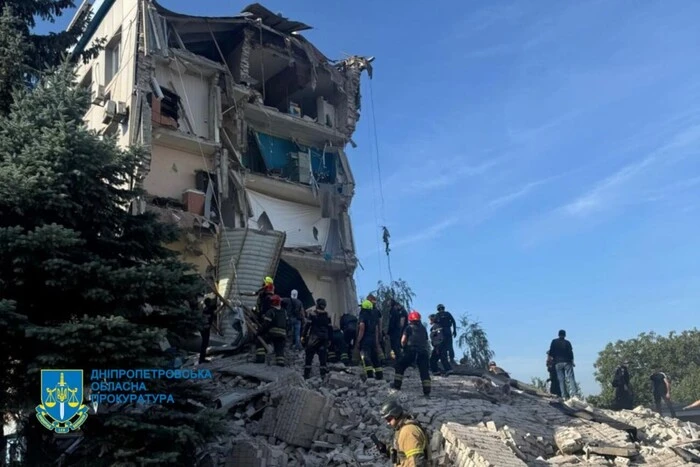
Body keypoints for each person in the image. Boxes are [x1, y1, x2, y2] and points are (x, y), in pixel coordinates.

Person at [378, 400, 429, 467]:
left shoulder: (408, 431)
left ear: (395, 414)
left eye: (389, 419)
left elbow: (417, 462)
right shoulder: (402, 429)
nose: (388, 422)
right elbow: (402, 455)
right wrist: (386, 449)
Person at [393, 311, 431, 397]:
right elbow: (425, 340)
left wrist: (403, 348)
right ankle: (427, 390)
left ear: (410, 319)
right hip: (423, 352)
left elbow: (403, 340)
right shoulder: (423, 328)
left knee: (400, 366)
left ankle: (397, 385)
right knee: (424, 371)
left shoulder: (408, 328)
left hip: (411, 351)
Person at [301, 298, 332, 379]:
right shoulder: (327, 315)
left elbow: (307, 326)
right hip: (324, 338)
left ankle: (306, 375)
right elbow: (330, 328)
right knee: (323, 357)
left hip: (314, 337)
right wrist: (329, 339)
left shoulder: (313, 314)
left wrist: (303, 336)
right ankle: (323, 375)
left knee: (309, 355)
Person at [256, 294, 287, 366]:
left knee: (260, 341)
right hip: (283, 334)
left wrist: (259, 332)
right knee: (279, 348)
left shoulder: (270, 311)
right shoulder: (284, 312)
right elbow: (287, 324)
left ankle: (260, 359)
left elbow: (266, 325)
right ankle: (280, 363)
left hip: (273, 333)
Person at [356, 299, 383, 380]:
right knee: (375, 357)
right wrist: (376, 341)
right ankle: (379, 375)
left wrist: (358, 340)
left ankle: (370, 375)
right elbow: (376, 329)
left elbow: (362, 328)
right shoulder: (373, 316)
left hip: (365, 340)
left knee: (366, 357)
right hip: (373, 340)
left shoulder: (363, 315)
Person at [548, 329, 578, 398]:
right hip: (567, 362)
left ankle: (564, 396)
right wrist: (572, 361)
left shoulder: (554, 342)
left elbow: (551, 352)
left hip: (558, 363)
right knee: (571, 378)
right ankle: (574, 394)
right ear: (565, 335)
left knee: (561, 380)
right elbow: (571, 353)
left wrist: (550, 361)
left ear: (558, 334)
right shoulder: (567, 343)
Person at [198, 295, 218, 364]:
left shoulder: (206, 309)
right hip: (205, 328)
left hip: (204, 328)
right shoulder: (208, 309)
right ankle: (201, 359)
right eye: (210, 302)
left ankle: (202, 358)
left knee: (205, 344)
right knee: (204, 344)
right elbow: (215, 307)